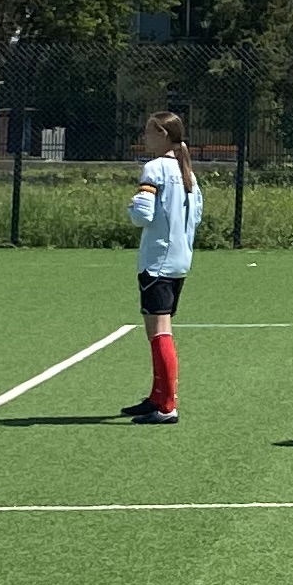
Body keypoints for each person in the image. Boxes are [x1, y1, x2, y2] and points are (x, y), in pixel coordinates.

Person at [121, 110, 201, 425]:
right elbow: (196, 215)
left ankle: (167, 405)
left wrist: (131, 207)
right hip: (179, 259)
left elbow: (142, 214)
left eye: (148, 132)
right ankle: (156, 396)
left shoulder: (153, 169)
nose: (144, 137)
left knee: (160, 332)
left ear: (161, 134)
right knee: (155, 329)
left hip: (157, 261)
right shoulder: (188, 173)